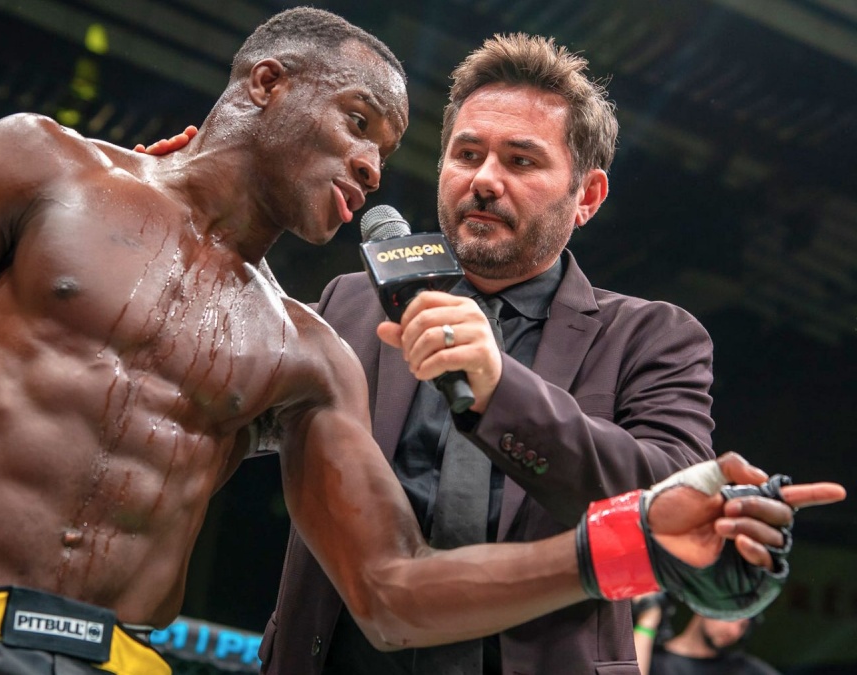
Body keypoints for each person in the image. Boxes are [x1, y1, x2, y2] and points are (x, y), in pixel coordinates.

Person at [0, 9, 841, 675]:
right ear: (266, 84)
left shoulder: (310, 347)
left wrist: (621, 545)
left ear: (586, 195)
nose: (377, 167)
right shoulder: (44, 168)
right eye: (362, 125)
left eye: (390, 147)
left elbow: (390, 587)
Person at [252, 33, 733, 675]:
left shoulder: (651, 337)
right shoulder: (352, 304)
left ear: (587, 196)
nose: (483, 180)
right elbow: (214, 396)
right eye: (468, 154)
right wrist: (184, 220)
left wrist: (500, 391)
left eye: (521, 161)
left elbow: (673, 504)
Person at [634, 596, 781, 675]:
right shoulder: (653, 659)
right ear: (705, 606)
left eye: (743, 626)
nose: (734, 632)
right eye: (730, 617)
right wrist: (648, 619)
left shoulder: (742, 669)